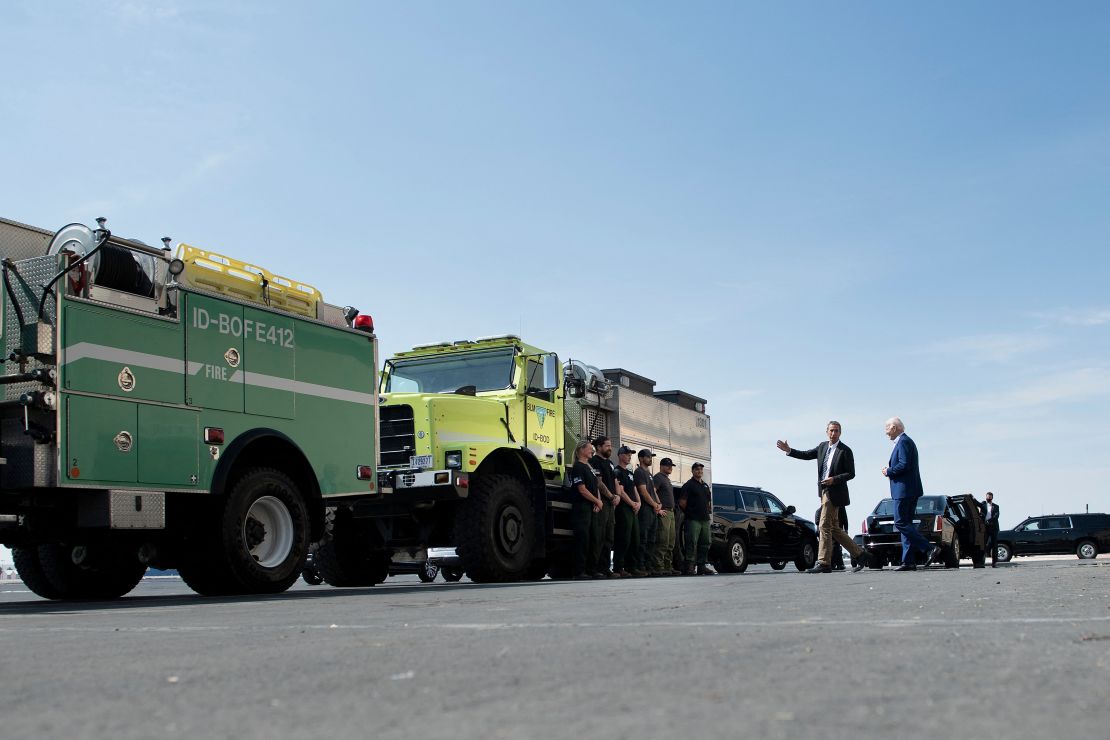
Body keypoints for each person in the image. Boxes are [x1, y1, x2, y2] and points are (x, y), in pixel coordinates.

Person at [777, 421, 871, 573]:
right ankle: (860, 554)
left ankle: (824, 562)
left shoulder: (845, 450)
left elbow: (851, 473)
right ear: (827, 432)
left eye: (837, 431)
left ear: (840, 433)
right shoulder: (822, 447)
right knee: (833, 528)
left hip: (835, 491)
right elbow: (806, 455)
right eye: (831, 430)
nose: (834, 433)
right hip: (823, 491)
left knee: (823, 525)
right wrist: (789, 450)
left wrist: (834, 479)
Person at [881, 417, 941, 571]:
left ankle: (928, 548)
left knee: (900, 522)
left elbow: (904, 464)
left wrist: (888, 471)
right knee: (906, 524)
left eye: (887, 427)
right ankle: (908, 561)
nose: (885, 431)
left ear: (894, 427)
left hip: (904, 490)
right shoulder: (904, 442)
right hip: (908, 489)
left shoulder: (904, 442)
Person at [569, 440, 604, 580]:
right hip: (582, 508)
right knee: (583, 539)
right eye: (590, 448)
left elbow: (595, 486)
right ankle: (579, 571)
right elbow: (582, 490)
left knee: (594, 539)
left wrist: (598, 501)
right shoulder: (578, 467)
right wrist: (596, 500)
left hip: (592, 507)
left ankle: (592, 569)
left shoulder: (589, 467)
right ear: (581, 450)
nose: (592, 451)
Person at [589, 436, 622, 578]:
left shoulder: (610, 463)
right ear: (599, 447)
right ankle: (594, 569)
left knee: (609, 537)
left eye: (610, 445)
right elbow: (598, 483)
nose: (610, 448)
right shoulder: (594, 461)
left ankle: (605, 568)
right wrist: (611, 496)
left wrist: (618, 496)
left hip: (611, 504)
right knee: (598, 536)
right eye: (607, 446)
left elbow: (615, 481)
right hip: (602, 502)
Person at [613, 445, 645, 577]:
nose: (629, 456)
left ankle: (632, 567)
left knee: (635, 539)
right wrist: (632, 503)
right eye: (627, 454)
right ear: (620, 455)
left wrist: (639, 503)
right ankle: (619, 567)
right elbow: (620, 490)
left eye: (630, 454)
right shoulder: (617, 471)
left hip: (633, 509)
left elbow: (634, 489)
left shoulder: (630, 473)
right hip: (624, 508)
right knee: (623, 538)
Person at [678, 462, 716, 575]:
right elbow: (682, 502)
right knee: (691, 542)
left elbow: (708, 501)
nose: (699, 471)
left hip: (704, 519)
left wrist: (706, 510)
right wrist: (690, 512)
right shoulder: (688, 485)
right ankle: (689, 566)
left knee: (706, 542)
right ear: (692, 471)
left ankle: (702, 566)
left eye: (701, 469)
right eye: (697, 469)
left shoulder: (705, 486)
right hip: (693, 519)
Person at [634, 449, 664, 573]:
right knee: (643, 538)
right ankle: (640, 565)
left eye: (651, 457)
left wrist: (658, 504)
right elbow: (643, 491)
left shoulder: (650, 474)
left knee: (652, 539)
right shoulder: (639, 472)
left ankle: (648, 565)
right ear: (641, 458)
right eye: (647, 456)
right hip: (645, 510)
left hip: (652, 509)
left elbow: (653, 491)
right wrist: (653, 504)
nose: (650, 459)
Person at [652, 458, 681, 576]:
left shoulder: (666, 479)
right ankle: (658, 567)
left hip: (671, 512)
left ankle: (668, 567)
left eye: (671, 466)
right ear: (661, 466)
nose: (670, 467)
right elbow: (652, 491)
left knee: (670, 542)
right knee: (662, 541)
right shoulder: (658, 477)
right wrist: (658, 508)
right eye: (668, 465)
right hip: (664, 512)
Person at [814, 504, 850, 570]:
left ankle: (837, 563)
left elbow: (817, 517)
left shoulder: (824, 507)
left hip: (832, 529)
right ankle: (836, 564)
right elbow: (844, 517)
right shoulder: (839, 506)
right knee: (835, 546)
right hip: (833, 529)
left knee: (834, 546)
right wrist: (846, 529)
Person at [981, 491, 1000, 567]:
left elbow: (996, 516)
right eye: (987, 497)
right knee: (983, 544)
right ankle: (982, 561)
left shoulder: (996, 506)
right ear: (985, 497)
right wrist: (972, 497)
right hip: (985, 528)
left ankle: (994, 562)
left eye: (990, 497)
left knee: (994, 545)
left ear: (992, 498)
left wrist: (989, 521)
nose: (988, 498)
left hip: (993, 527)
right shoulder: (983, 505)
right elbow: (976, 503)